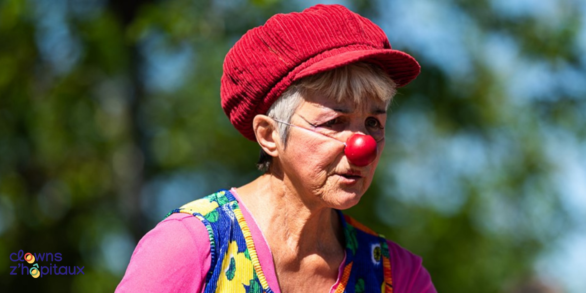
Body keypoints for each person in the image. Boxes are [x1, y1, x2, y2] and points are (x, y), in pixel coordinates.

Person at [117, 4, 436, 293]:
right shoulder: (189, 247)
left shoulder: (398, 275)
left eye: (373, 123)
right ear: (269, 135)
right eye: (334, 122)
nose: (362, 146)